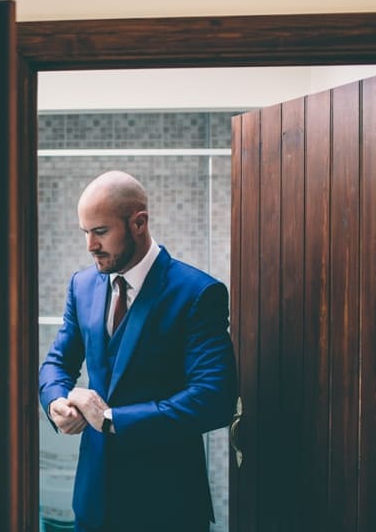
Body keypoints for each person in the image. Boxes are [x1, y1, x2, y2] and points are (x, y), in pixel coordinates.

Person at [39, 170, 238, 532]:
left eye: (100, 232)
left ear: (139, 223)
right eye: (85, 232)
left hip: (167, 503)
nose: (90, 245)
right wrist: (55, 401)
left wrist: (113, 419)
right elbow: (58, 361)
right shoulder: (81, 285)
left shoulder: (198, 293)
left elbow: (214, 398)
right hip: (92, 500)